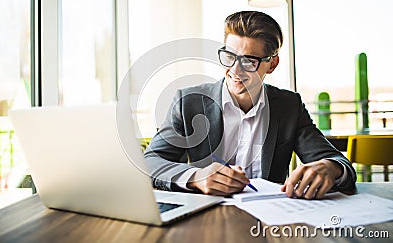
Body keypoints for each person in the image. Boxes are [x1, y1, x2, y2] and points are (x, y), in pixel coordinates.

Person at [143, 11, 356, 199]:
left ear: (272, 64)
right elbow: (149, 162)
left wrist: (331, 167)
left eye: (249, 61)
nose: (235, 71)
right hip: (204, 218)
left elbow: (337, 161)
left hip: (270, 221)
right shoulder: (188, 102)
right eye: (229, 56)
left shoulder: (289, 106)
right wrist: (196, 177)